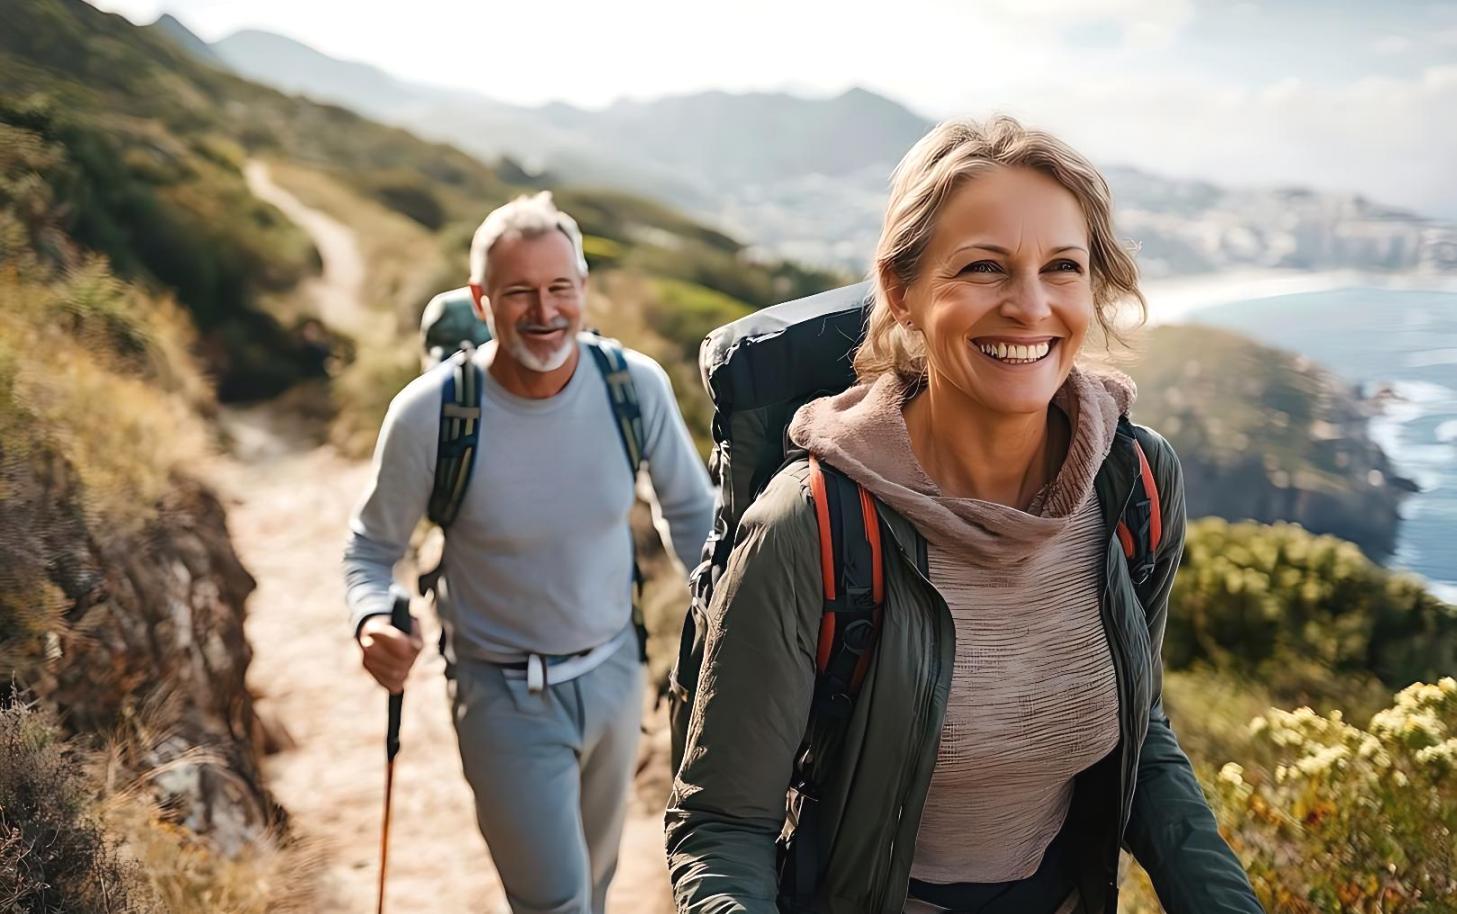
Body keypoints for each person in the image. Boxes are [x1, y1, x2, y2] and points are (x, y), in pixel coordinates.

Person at [664, 118, 1263, 913]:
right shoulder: (813, 526)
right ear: (900, 292)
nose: (1029, 306)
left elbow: (1140, 734)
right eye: (983, 268)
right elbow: (720, 828)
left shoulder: (1136, 485)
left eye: (1061, 267)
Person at [345, 191, 715, 914]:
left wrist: (733, 619)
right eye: (519, 293)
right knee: (555, 902)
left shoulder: (631, 387)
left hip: (615, 678)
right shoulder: (431, 415)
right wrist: (369, 619)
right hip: (501, 696)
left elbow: (693, 514)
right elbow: (371, 547)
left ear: (582, 290)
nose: (544, 312)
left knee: (595, 888)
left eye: (559, 289)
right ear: (483, 301)